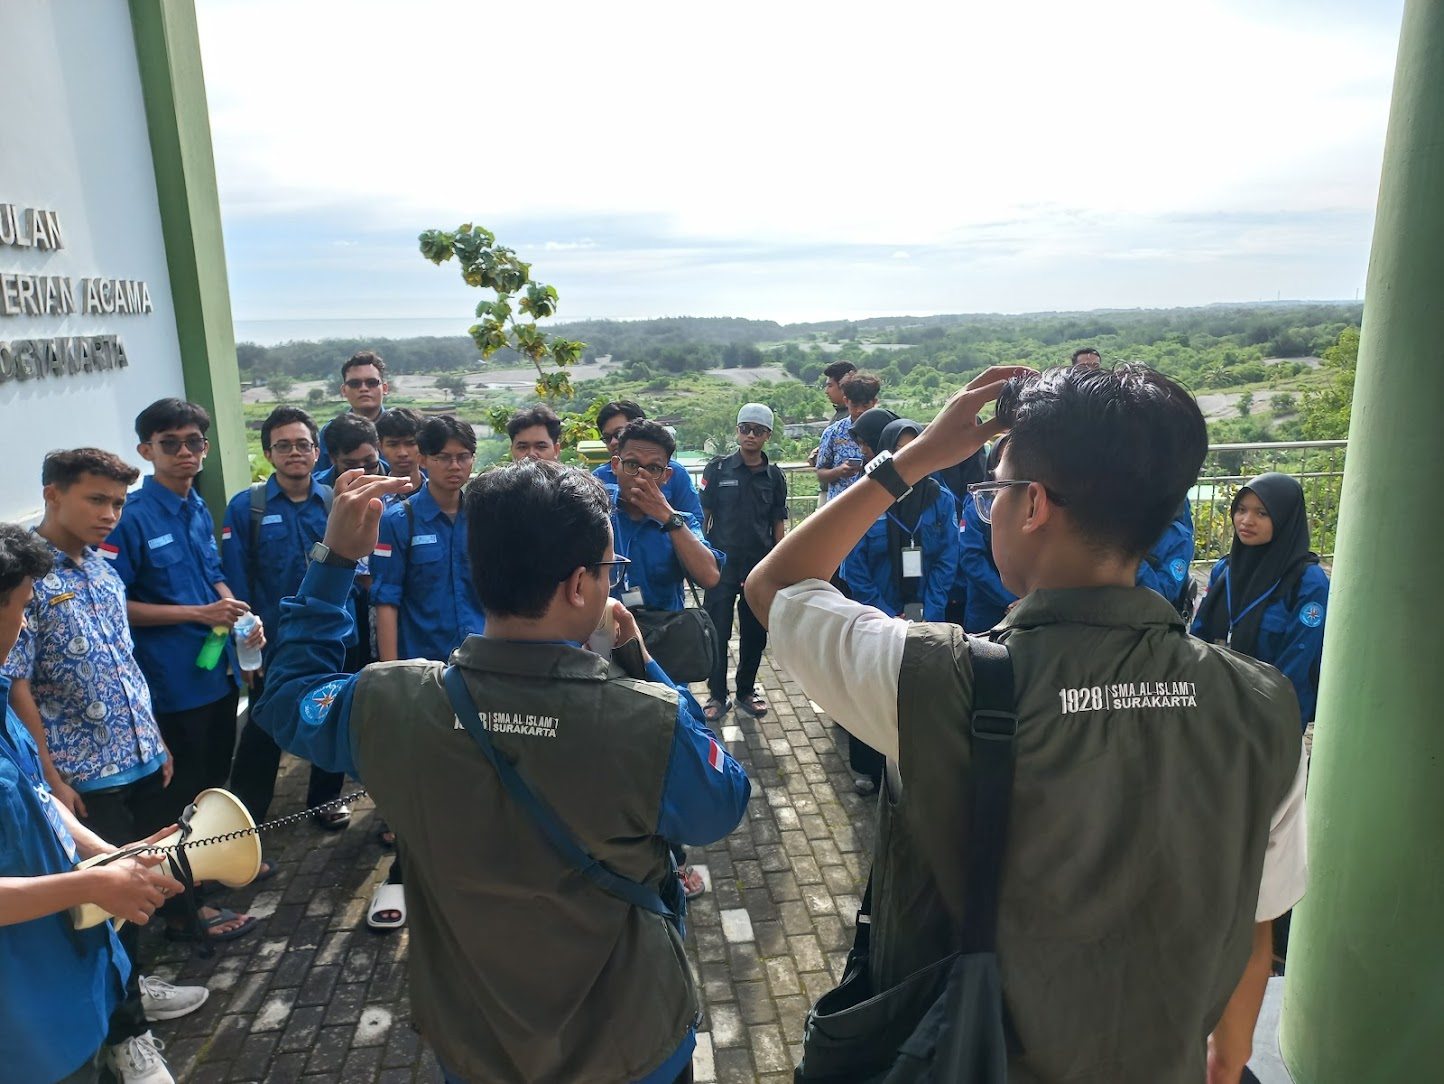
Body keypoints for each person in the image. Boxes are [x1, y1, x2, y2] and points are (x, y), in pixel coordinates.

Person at [746, 364, 1307, 1084]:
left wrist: (914, 460)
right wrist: (1226, 1061)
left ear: (1034, 504)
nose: (990, 510)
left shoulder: (934, 679)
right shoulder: (1263, 702)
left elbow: (775, 584)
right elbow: (1258, 924)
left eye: (995, 493)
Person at [251, 461, 751, 1084]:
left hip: (477, 1041)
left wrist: (333, 565)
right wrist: (644, 666)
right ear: (579, 585)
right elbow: (721, 803)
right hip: (629, 1041)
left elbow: (287, 699)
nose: (610, 583)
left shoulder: (390, 702)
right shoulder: (647, 720)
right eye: (608, 569)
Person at [2, 456, 210, 1083]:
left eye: (118, 503)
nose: (110, 514)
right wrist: (53, 776)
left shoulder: (102, 568)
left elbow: (122, 661)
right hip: (83, 772)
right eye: (96, 500)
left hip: (134, 754)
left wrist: (153, 738)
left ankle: (127, 995)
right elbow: (21, 685)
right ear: (52, 495)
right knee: (97, 908)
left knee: (125, 900)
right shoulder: (25, 575)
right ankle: (127, 1036)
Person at [102, 399, 263, 942]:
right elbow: (116, 605)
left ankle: (210, 873)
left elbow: (215, 577)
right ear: (146, 450)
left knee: (211, 786)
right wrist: (199, 613)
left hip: (216, 672)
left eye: (194, 442)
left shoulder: (195, 506)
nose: (185, 453)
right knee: (177, 799)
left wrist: (240, 620)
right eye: (170, 443)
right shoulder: (130, 516)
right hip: (172, 684)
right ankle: (181, 911)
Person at [368, 414, 485, 929]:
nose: (454, 466)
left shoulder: (487, 516)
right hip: (425, 671)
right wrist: (391, 674)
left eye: (463, 456)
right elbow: (386, 600)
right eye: (443, 457)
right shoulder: (400, 520)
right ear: (423, 458)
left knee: (482, 772)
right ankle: (404, 875)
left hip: (483, 665)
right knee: (422, 780)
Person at [222, 408, 348, 832]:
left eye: (302, 444)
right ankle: (246, 825)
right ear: (268, 453)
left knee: (331, 718)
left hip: (330, 642)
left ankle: (325, 801)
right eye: (283, 445)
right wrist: (243, 651)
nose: (294, 452)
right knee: (262, 734)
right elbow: (236, 585)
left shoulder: (334, 502)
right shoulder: (247, 508)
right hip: (272, 646)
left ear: (316, 451)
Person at [958, 435, 1197, 631]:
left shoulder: (1176, 535)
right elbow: (971, 558)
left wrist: (1124, 547)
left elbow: (1162, 593)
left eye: (1002, 484)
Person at [700, 404, 788, 723]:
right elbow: (703, 516)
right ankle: (717, 694)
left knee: (754, 634)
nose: (750, 435)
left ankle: (746, 691)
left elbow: (778, 521)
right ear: (737, 431)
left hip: (758, 569)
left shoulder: (774, 476)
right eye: (745, 429)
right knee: (716, 632)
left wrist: (779, 564)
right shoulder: (717, 469)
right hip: (722, 566)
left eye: (758, 430)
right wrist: (702, 556)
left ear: (768, 435)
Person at [608, 419, 723, 612]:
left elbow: (709, 577)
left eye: (653, 469)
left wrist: (668, 517)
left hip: (665, 627)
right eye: (632, 465)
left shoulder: (681, 522)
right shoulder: (597, 513)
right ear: (615, 465)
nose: (641, 477)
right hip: (606, 626)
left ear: (667, 476)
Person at [593, 401, 702, 520]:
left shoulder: (676, 473)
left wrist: (666, 515)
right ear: (615, 465)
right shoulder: (598, 478)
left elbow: (695, 520)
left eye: (619, 433)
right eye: (607, 438)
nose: (613, 442)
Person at [314, 350, 388, 476]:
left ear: (385, 388)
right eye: (355, 384)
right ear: (344, 390)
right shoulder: (330, 431)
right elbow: (316, 477)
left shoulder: (401, 428)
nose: (364, 388)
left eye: (371, 383)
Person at [814, 372, 881, 502]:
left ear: (874, 402)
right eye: (855, 405)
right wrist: (838, 471)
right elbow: (820, 473)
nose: (860, 410)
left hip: (875, 504)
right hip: (840, 505)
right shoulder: (833, 432)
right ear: (846, 401)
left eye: (865, 406)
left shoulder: (885, 430)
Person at [314, 413, 383, 486]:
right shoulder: (315, 489)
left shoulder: (392, 478)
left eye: (369, 461)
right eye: (351, 465)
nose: (362, 474)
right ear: (333, 459)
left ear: (378, 448)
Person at [375, 408, 427, 493]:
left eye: (410, 443)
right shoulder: (374, 496)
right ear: (380, 447)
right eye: (393, 445)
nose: (402, 453)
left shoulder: (442, 494)